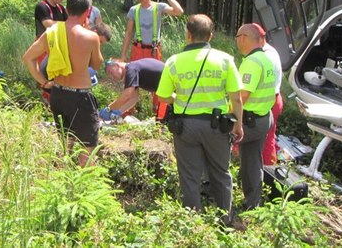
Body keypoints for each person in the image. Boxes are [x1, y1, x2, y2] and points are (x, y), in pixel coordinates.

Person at [156, 14, 243, 225]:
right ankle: (225, 221)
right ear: (211, 36)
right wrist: (238, 124)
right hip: (217, 127)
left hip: (186, 128)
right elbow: (236, 98)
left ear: (187, 35)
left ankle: (192, 224)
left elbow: (162, 97)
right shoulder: (225, 60)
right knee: (221, 173)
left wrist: (176, 97)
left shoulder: (174, 62)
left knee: (189, 176)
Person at [23, 0, 104, 167]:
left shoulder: (52, 32)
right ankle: (88, 191)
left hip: (58, 94)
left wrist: (43, 82)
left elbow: (28, 58)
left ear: (66, 10)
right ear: (87, 12)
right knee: (87, 151)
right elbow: (97, 65)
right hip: (80, 96)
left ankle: (63, 184)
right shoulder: (91, 37)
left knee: (65, 146)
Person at [235, 23, 276, 210]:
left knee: (214, 144)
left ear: (243, 38)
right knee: (252, 161)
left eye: (237, 37)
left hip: (250, 121)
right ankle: (252, 203)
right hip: (264, 118)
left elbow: (242, 96)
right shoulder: (267, 59)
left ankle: (213, 194)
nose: (236, 41)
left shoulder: (251, 62)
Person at [39, 22, 112, 104]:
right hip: (50, 78)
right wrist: (52, 83)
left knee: (91, 73)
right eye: (100, 41)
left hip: (54, 78)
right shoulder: (79, 42)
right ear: (94, 33)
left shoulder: (82, 38)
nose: (99, 45)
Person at [120, 0, 184, 62]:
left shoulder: (159, 7)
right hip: (138, 50)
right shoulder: (134, 10)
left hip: (153, 51)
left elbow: (179, 11)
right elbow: (128, 33)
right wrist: (123, 55)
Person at [100, 58, 165, 121]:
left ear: (117, 66)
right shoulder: (132, 69)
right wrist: (119, 112)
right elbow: (133, 99)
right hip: (169, 87)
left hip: (171, 82)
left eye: (111, 72)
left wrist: (109, 109)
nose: (112, 77)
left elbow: (126, 95)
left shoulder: (131, 69)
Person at [261, 36, 283, 166]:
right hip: (274, 98)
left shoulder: (264, 56)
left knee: (266, 139)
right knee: (269, 137)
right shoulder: (271, 51)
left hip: (268, 101)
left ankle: (268, 172)